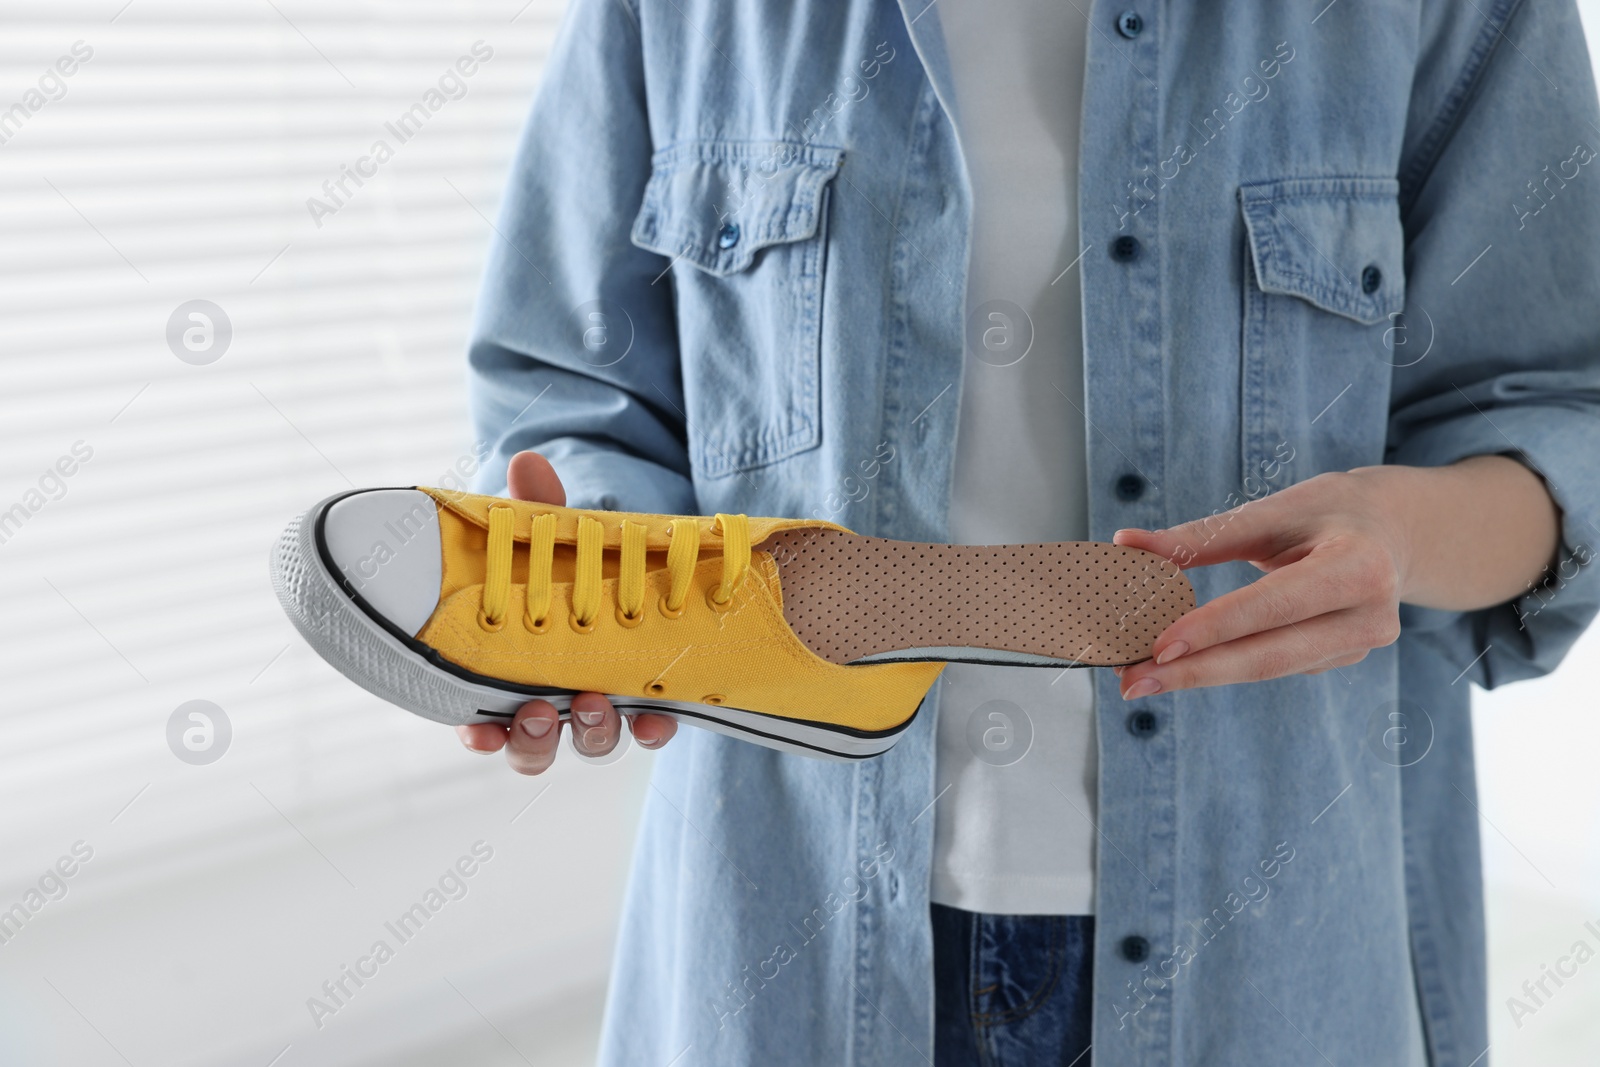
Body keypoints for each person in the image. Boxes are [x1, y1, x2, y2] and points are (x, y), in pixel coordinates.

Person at [455, 1, 1600, 1064]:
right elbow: (570, 390)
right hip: (780, 936)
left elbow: (1560, 416)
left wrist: (1398, 533)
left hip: (1274, 956)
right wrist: (596, 595)